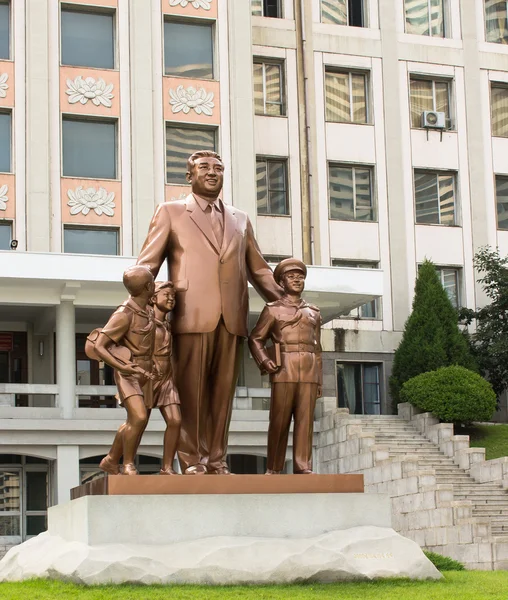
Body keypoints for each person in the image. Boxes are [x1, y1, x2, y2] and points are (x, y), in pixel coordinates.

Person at [137, 151, 283, 475]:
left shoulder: (240, 219)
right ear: (189, 175)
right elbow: (147, 263)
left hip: (231, 319)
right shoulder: (171, 212)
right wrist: (137, 293)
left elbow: (258, 270)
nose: (213, 173)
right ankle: (191, 461)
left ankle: (216, 460)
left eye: (218, 168)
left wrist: (288, 303)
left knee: (222, 396)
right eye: (204, 168)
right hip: (190, 315)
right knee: (190, 394)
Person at [248, 258, 322, 475]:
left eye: (300, 277)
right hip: (284, 369)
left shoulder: (313, 312)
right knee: (279, 421)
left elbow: (318, 348)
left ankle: (303, 466)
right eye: (291, 276)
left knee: (305, 421)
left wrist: (319, 380)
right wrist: (264, 360)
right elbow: (255, 338)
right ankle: (274, 466)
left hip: (308, 370)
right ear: (281, 282)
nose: (297, 280)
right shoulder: (273, 310)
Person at [90, 265, 156, 476]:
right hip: (128, 373)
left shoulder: (148, 310)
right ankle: (128, 464)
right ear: (148, 286)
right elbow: (100, 345)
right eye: (153, 281)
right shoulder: (124, 314)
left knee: (134, 421)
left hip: (145, 372)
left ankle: (110, 460)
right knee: (138, 418)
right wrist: (121, 366)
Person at [151, 281, 182, 475]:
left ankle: (167, 467)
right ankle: (113, 458)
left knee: (175, 420)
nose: (171, 299)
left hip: (167, 378)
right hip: (147, 377)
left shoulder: (169, 325)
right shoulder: (143, 321)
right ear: (153, 298)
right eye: (166, 295)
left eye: (173, 296)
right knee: (137, 423)